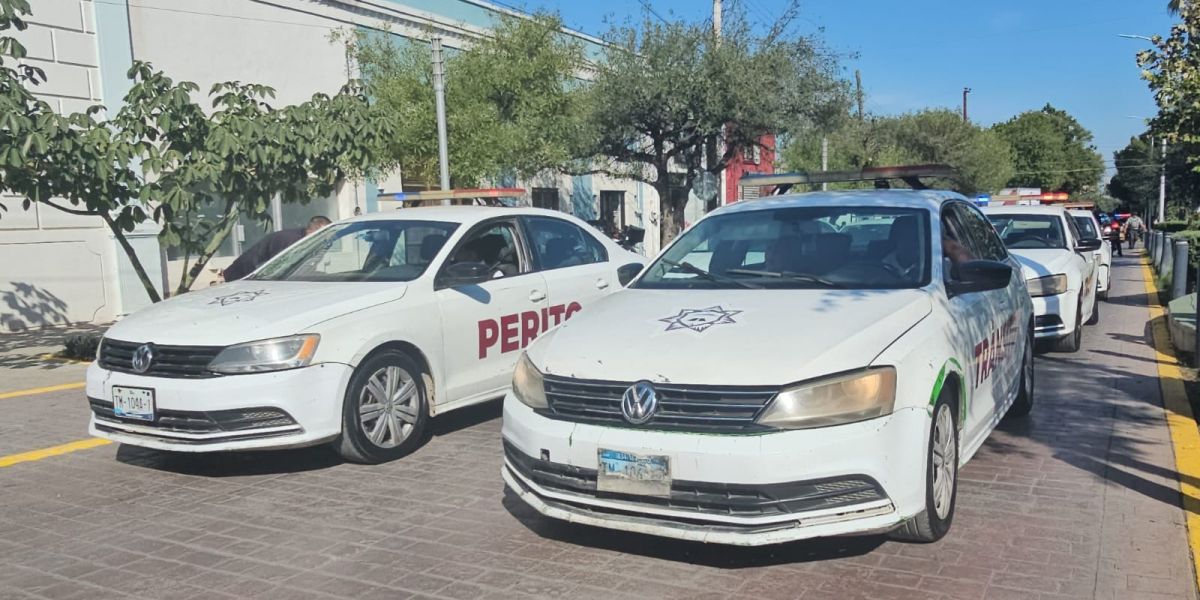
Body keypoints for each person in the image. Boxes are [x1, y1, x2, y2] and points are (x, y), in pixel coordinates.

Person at [221, 216, 331, 281]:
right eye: (324, 234)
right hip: (243, 275)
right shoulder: (291, 240)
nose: (326, 239)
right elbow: (281, 268)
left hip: (258, 276)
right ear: (315, 230)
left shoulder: (307, 242)